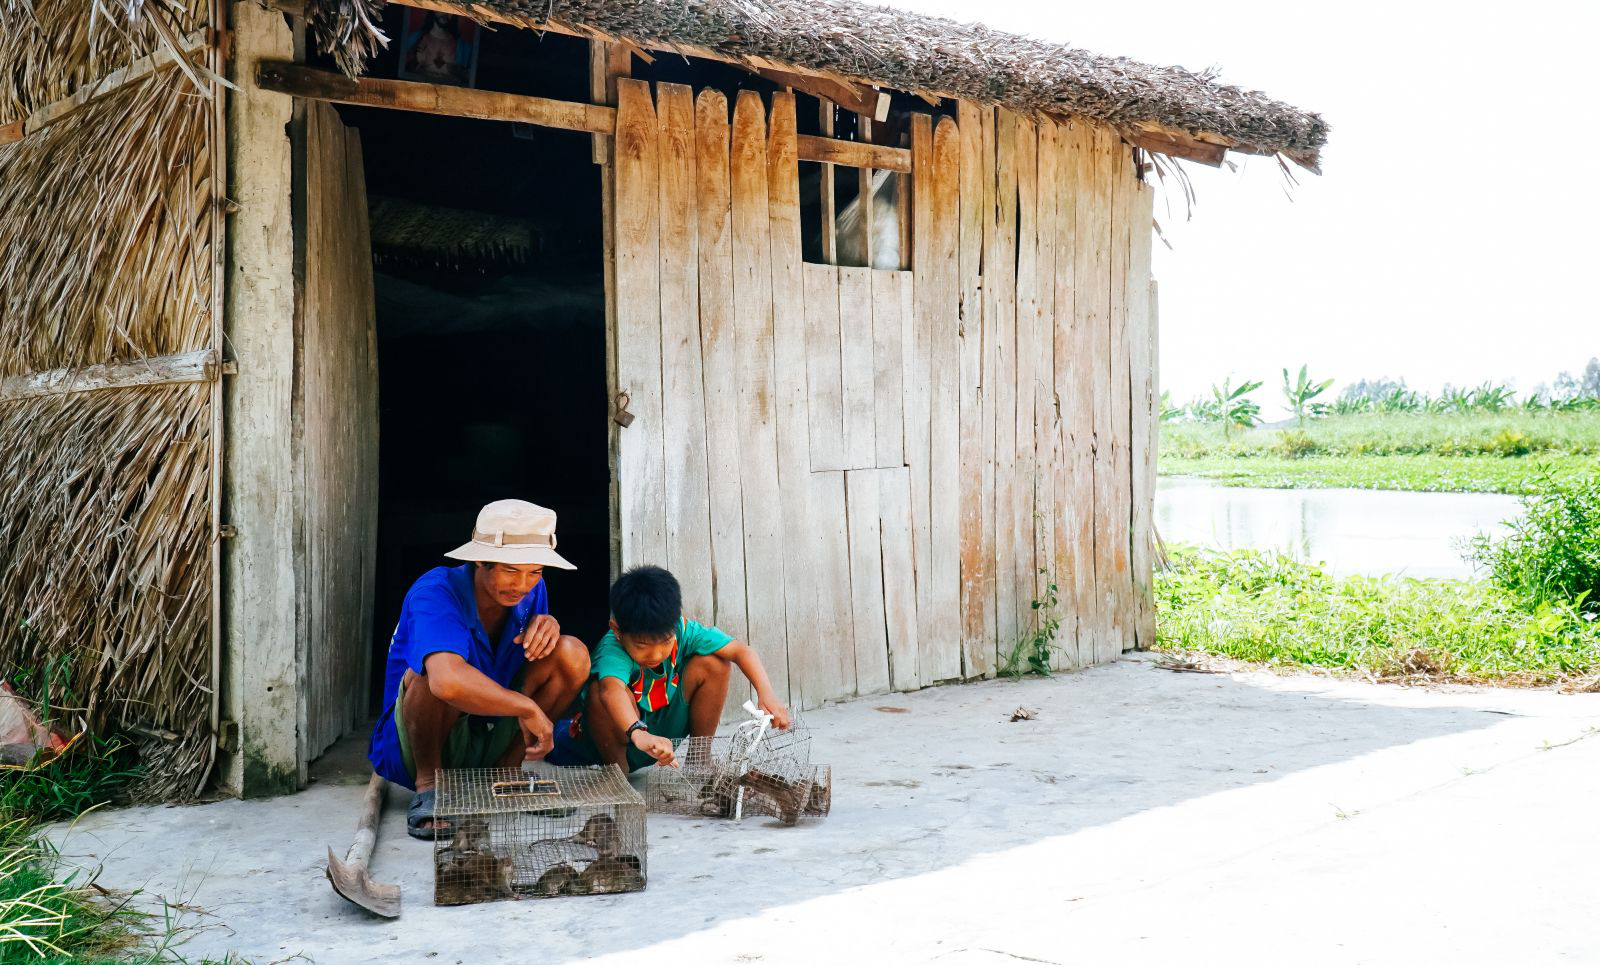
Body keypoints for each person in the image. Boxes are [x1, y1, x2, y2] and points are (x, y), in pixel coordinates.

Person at [368, 499, 590, 839]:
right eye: (510, 570)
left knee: (572, 654)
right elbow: (447, 682)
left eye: (535, 571)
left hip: (489, 733)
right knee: (434, 672)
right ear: (479, 561)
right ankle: (430, 786)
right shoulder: (435, 591)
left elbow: (537, 656)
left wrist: (548, 626)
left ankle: (505, 773)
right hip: (420, 744)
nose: (522, 584)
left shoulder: (531, 592)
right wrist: (526, 707)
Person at [550, 565, 789, 771]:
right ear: (617, 631)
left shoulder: (682, 629)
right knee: (598, 693)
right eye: (642, 645)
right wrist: (638, 733)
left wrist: (766, 693)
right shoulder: (613, 648)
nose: (655, 654)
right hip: (598, 745)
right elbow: (611, 691)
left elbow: (741, 651)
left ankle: (699, 761)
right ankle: (618, 775)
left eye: (665, 642)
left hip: (656, 737)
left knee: (715, 663)